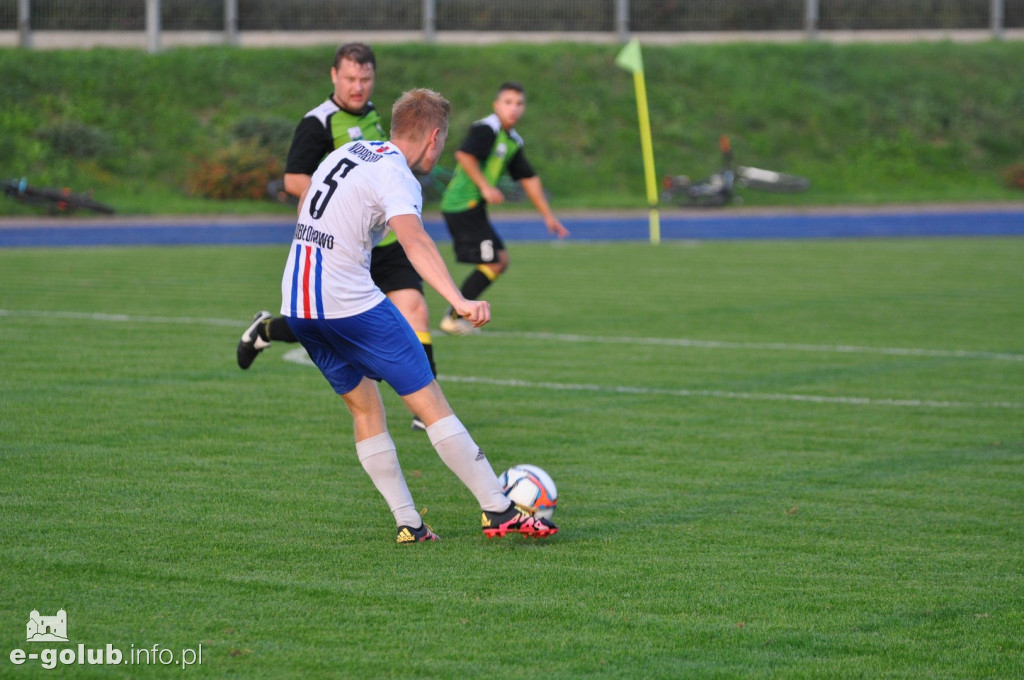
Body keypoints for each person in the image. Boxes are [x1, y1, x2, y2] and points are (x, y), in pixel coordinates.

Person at [281, 88, 558, 544]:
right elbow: (415, 241)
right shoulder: (398, 175)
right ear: (433, 138)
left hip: (297, 301)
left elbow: (306, 201)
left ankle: (409, 523)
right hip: (348, 302)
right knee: (430, 403)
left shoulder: (347, 151)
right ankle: (499, 509)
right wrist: (460, 299)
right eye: (442, 145)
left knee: (365, 407)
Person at [237, 43, 438, 431]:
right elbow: (295, 178)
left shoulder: (380, 119)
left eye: (365, 79)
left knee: (415, 309)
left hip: (385, 239)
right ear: (334, 76)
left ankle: (426, 412)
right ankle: (264, 329)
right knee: (312, 326)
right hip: (341, 246)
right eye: (349, 78)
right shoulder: (318, 122)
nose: (357, 87)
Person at [438, 81, 570, 335]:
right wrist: (486, 187)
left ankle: (455, 314)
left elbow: (529, 179)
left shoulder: (511, 140)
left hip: (474, 208)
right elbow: (464, 155)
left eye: (519, 104)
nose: (514, 108)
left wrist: (548, 217)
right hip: (461, 206)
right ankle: (454, 316)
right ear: (496, 106)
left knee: (501, 260)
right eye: (508, 102)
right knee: (496, 262)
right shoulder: (487, 129)